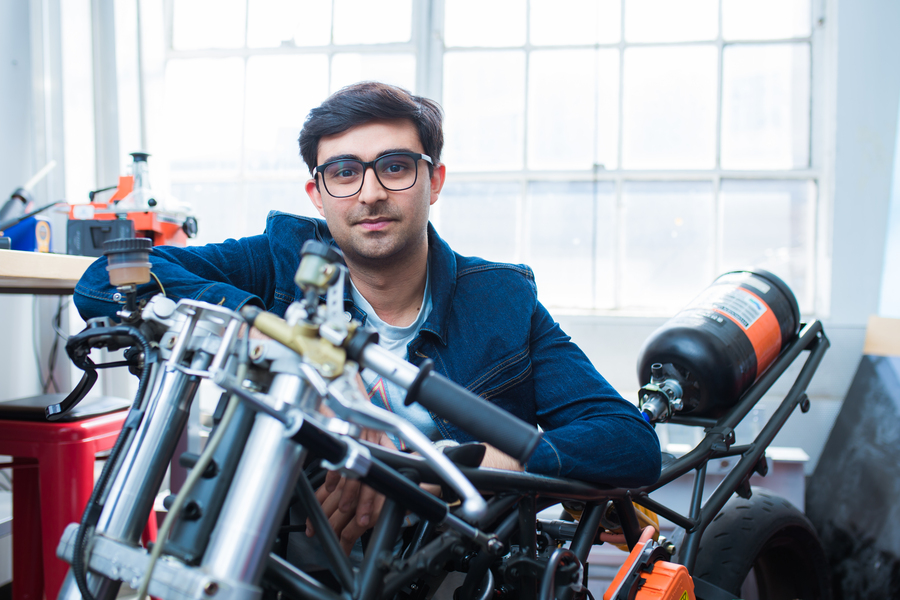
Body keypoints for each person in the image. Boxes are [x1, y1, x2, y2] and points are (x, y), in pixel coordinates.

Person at [74, 81, 661, 553]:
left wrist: (443, 469)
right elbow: (106, 282)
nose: (371, 193)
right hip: (277, 549)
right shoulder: (275, 262)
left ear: (434, 182)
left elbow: (627, 442)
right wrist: (291, 348)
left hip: (453, 559)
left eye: (396, 166)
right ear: (318, 194)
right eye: (345, 172)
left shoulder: (501, 300)